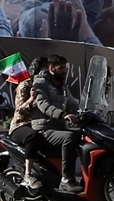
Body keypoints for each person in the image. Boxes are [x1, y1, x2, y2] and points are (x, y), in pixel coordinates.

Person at [30, 54, 82, 191]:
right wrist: (63, 115)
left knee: (82, 135)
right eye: (61, 68)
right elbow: (43, 104)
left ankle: (80, 176)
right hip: (43, 129)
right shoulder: (40, 83)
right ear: (52, 69)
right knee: (68, 138)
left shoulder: (62, 86)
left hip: (58, 128)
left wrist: (87, 112)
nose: (65, 71)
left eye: (65, 67)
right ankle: (66, 179)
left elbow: (72, 102)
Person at [9, 56, 49, 190]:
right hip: (21, 126)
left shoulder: (47, 85)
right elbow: (19, 109)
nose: (47, 71)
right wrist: (32, 98)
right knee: (32, 136)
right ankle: (28, 174)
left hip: (40, 125)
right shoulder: (26, 85)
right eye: (45, 68)